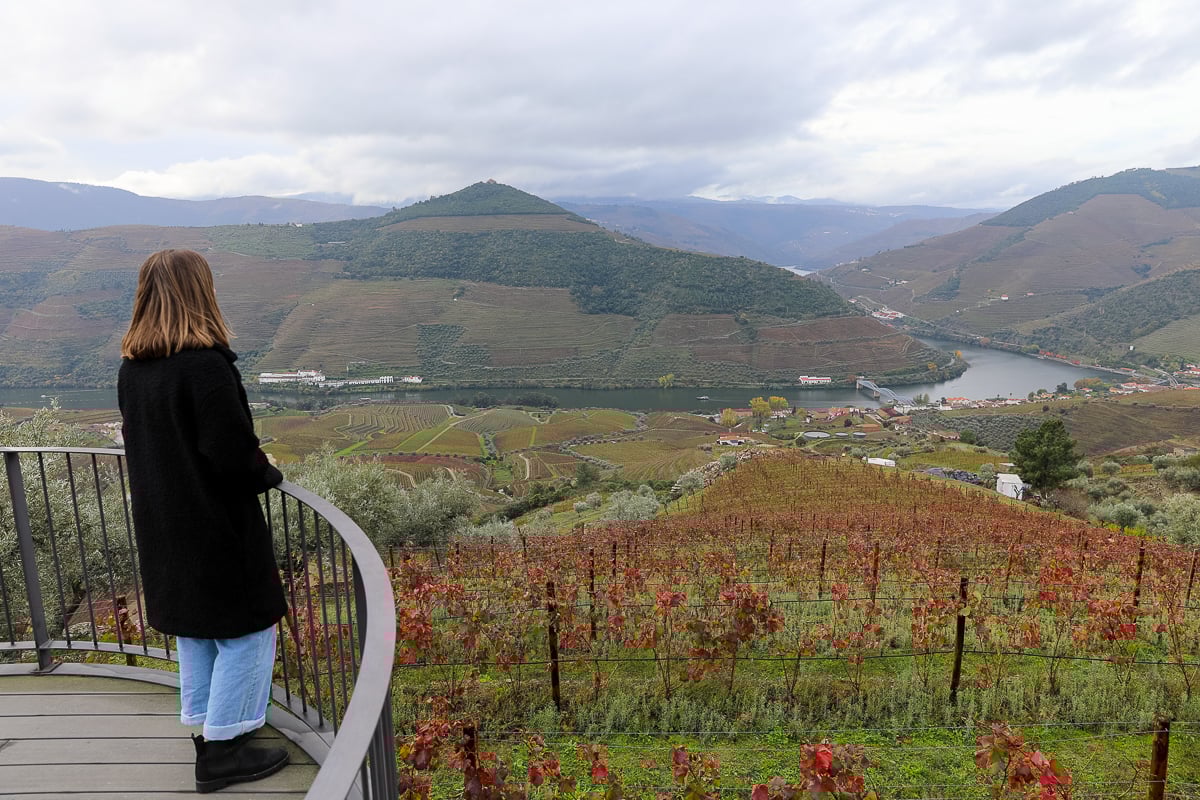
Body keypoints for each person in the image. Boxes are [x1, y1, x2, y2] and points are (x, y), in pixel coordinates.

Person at [118, 248, 290, 793]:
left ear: (147, 295)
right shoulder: (205, 366)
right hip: (215, 525)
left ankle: (210, 727)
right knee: (248, 628)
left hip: (163, 523)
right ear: (202, 292)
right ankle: (220, 753)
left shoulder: (133, 370)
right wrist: (268, 473)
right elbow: (232, 454)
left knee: (197, 628)